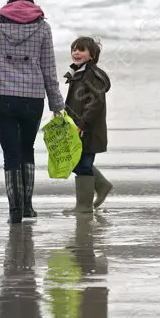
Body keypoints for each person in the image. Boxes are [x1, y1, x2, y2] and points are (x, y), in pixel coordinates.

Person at [0, 0, 65, 224]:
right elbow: (49, 69)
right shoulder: (43, 27)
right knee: (27, 149)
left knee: (10, 152)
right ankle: (28, 205)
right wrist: (57, 105)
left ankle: (14, 208)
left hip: (2, 96)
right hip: (33, 97)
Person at [62, 36, 113, 213]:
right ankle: (102, 185)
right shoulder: (78, 73)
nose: (76, 52)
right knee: (76, 162)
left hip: (88, 129)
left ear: (92, 55)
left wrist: (82, 124)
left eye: (81, 49)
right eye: (74, 49)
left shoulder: (91, 75)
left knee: (83, 164)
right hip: (77, 127)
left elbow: (95, 103)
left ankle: (84, 206)